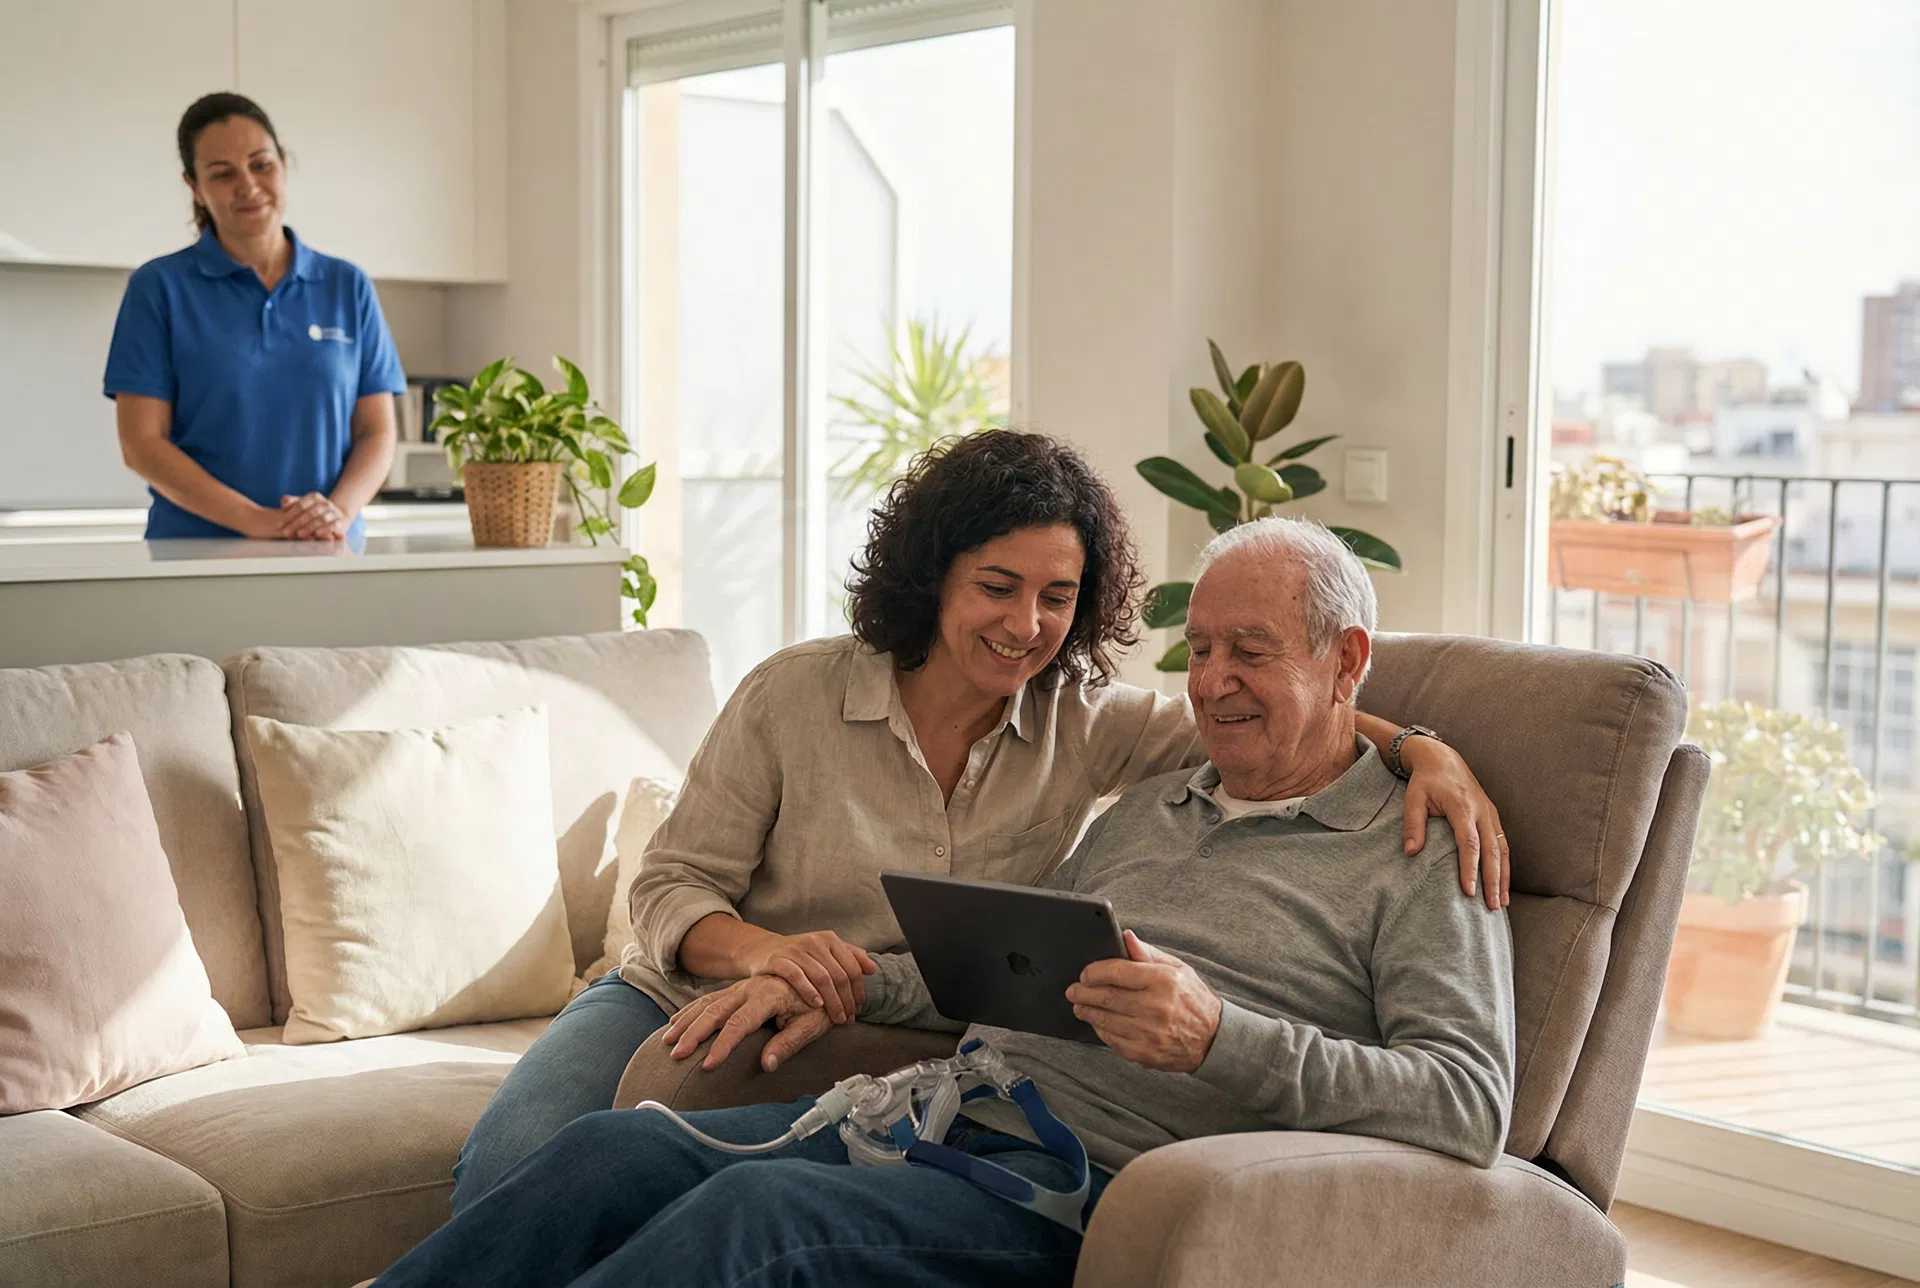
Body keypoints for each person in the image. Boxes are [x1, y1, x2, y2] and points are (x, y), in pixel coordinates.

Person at [372, 515, 1515, 1288]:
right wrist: (848, 974)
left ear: (1347, 661)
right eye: (1200, 646)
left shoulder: (1418, 849)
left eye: (1249, 651)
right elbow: (1017, 975)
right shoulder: (1154, 805)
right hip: (926, 1110)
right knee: (607, 1158)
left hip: (1077, 1191)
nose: (1211, 681)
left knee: (752, 1224)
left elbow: (1469, 1104)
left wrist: (1222, 1035)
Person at [103, 92, 404, 542]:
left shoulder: (347, 286)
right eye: (222, 174)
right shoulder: (159, 288)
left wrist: (337, 514)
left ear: (284, 163)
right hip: (193, 560)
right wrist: (256, 521)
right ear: (194, 187)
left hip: (327, 555)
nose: (247, 185)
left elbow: (377, 433)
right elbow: (142, 444)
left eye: (261, 164)